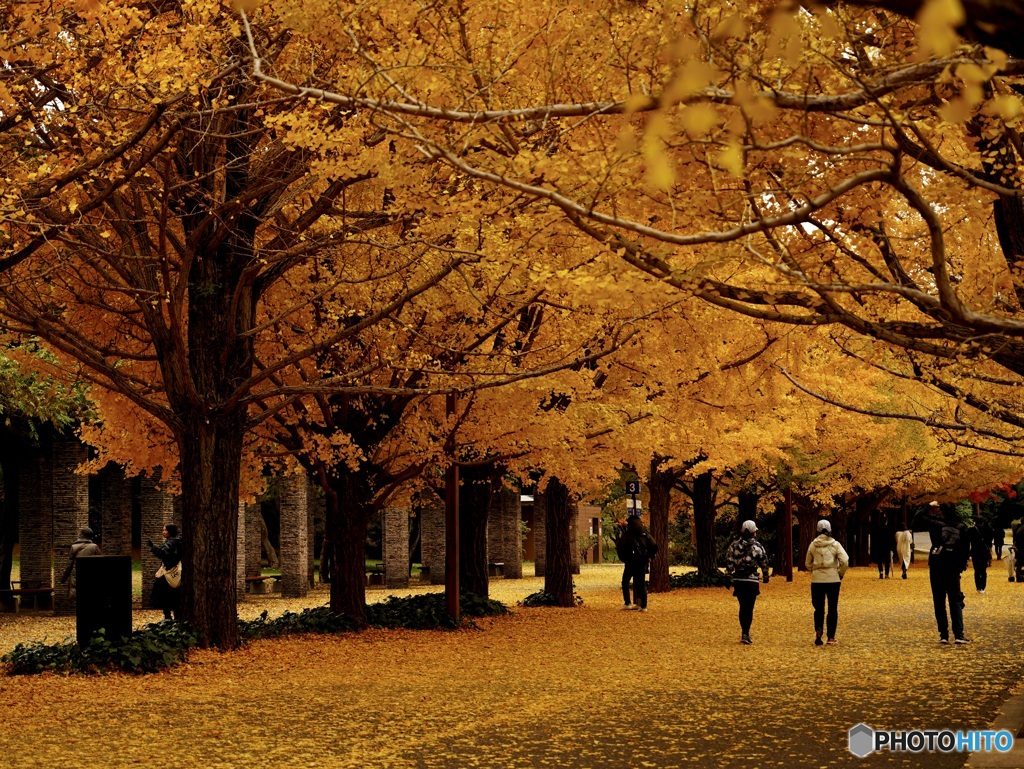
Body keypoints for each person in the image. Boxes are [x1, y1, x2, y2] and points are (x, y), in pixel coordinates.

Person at [913, 501, 970, 644]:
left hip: (937, 565)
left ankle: (943, 634)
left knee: (939, 600)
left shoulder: (936, 524)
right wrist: (961, 565)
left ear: (941, 512)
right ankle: (958, 634)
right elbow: (965, 549)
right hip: (953, 567)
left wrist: (927, 505)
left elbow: (918, 518)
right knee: (955, 599)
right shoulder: (962, 527)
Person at [724, 520, 770, 645]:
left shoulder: (734, 545)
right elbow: (764, 562)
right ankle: (746, 632)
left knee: (742, 606)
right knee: (749, 608)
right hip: (751, 580)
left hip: (739, 580)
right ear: (754, 532)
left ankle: (744, 631)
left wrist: (728, 576)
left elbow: (729, 562)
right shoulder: (758, 546)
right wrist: (765, 576)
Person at [805, 519, 849, 646]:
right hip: (833, 579)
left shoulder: (813, 545)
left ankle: (818, 630)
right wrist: (840, 573)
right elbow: (845, 560)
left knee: (818, 608)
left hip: (817, 580)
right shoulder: (835, 544)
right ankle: (831, 637)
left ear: (817, 530)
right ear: (829, 530)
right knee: (832, 608)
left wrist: (815, 570)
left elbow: (807, 563)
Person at [615, 515, 658, 612]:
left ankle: (627, 603)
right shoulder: (644, 533)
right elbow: (654, 545)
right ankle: (643, 606)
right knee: (641, 583)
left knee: (625, 581)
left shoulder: (628, 534)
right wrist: (650, 557)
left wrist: (624, 558)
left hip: (630, 562)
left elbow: (621, 547)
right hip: (642, 561)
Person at [148, 524, 183, 621]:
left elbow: (163, 554)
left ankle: (168, 617)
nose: (163, 532)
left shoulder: (170, 542)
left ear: (170, 531)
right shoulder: (177, 541)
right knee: (175, 596)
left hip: (169, 573)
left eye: (165, 530)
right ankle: (176, 617)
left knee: (164, 596)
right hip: (175, 573)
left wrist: (153, 547)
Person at [59, 527, 102, 600]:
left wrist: (63, 579)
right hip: (90, 579)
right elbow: (101, 563)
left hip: (77, 579)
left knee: (79, 602)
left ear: (81, 535)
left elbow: (69, 565)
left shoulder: (73, 547)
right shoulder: (94, 547)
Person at [870, 510, 894, 579]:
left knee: (880, 560)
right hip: (886, 547)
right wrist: (891, 547)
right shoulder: (888, 529)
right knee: (887, 561)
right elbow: (890, 539)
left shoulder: (877, 529)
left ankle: (881, 571)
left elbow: (875, 539)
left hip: (879, 546)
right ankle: (886, 574)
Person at [969, 521, 991, 594]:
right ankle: (983, 586)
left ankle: (978, 586)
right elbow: (989, 540)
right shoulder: (986, 529)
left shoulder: (971, 530)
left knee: (977, 570)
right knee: (983, 570)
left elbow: (969, 541)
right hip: (984, 552)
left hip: (975, 552)